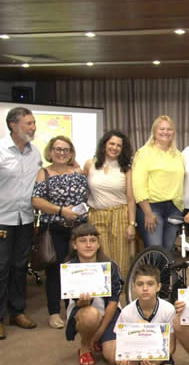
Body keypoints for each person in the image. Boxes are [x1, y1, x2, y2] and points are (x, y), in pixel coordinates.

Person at [32, 135, 88, 329]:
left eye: (66, 149)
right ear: (50, 151)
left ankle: (72, 309)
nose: (61, 153)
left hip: (79, 229)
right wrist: (62, 211)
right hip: (55, 228)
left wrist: (77, 211)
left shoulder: (79, 172)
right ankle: (54, 312)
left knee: (76, 270)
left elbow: (87, 197)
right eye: (57, 149)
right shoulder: (44, 173)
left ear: (71, 153)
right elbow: (37, 201)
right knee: (55, 270)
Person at [0, 107, 41, 338]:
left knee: (19, 266)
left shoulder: (35, 153)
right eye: (28, 123)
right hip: (2, 219)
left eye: (34, 123)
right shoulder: (1, 150)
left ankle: (17, 311)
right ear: (14, 125)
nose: (33, 127)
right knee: (1, 267)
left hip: (25, 218)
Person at [116, 264, 178, 365]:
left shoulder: (168, 309)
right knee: (134, 335)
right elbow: (120, 346)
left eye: (150, 284)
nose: (145, 288)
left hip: (159, 355)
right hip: (134, 355)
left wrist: (155, 363)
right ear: (134, 287)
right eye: (140, 284)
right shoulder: (127, 312)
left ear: (158, 287)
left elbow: (171, 347)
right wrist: (121, 362)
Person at [63, 224, 122, 365]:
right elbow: (69, 301)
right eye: (83, 241)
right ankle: (85, 346)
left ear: (98, 244)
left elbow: (114, 301)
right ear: (74, 245)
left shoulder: (111, 266)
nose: (88, 245)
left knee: (114, 358)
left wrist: (100, 332)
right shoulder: (68, 268)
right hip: (83, 311)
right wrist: (81, 303)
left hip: (109, 311)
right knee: (90, 315)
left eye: (92, 240)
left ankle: (97, 339)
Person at [84, 130, 136, 278]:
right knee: (101, 258)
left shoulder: (126, 168)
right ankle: (103, 298)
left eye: (119, 145)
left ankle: (119, 297)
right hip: (96, 215)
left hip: (120, 215)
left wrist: (132, 224)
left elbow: (130, 197)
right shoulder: (90, 164)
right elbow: (83, 190)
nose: (115, 148)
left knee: (121, 259)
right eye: (112, 143)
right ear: (104, 145)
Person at [132, 115, 185, 250]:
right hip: (151, 208)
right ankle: (154, 272)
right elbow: (138, 184)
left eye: (169, 129)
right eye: (162, 129)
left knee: (168, 250)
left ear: (173, 132)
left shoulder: (177, 154)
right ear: (155, 131)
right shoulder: (144, 153)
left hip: (174, 208)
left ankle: (165, 273)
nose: (165, 132)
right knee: (155, 250)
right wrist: (148, 213)